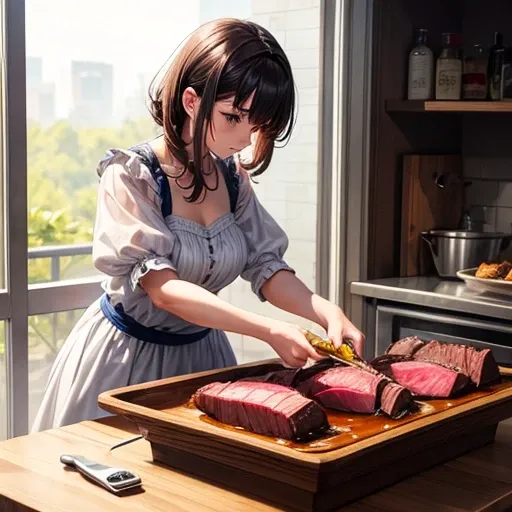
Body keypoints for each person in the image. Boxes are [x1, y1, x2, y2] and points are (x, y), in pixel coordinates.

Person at [31, 18, 364, 432]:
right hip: (124, 362)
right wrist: (269, 330)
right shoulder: (132, 175)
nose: (245, 137)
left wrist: (323, 310)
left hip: (203, 359)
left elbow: (266, 266)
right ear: (191, 100)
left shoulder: (231, 178)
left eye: (257, 123)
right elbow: (164, 291)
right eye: (233, 116)